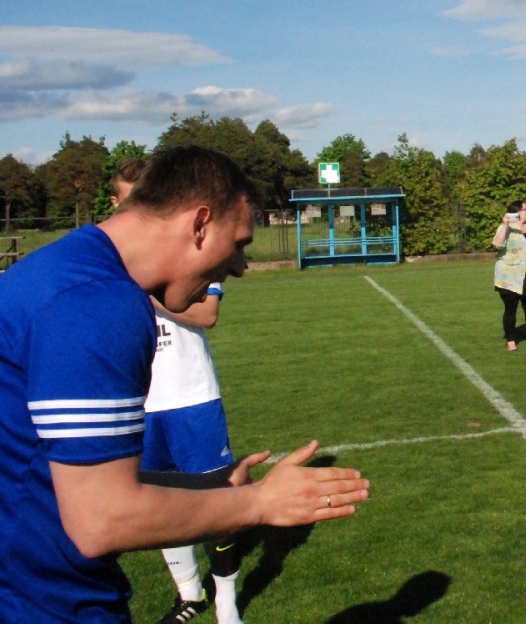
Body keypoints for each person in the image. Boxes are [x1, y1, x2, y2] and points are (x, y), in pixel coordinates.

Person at [0, 146, 370, 622]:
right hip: (43, 604)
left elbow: (56, 473)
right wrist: (257, 502)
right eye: (238, 242)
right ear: (199, 223)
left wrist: (206, 488)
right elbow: (101, 520)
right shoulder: (98, 304)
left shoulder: (61, 272)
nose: (239, 266)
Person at [111, 162, 244, 624]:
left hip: (192, 397)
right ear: (116, 203)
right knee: (158, 503)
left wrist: (142, 287)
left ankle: (227, 603)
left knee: (216, 498)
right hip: (138, 402)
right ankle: (189, 594)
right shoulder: (105, 259)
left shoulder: (191, 246)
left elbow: (206, 314)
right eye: (130, 197)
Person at [492, 200, 526, 351]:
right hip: (509, 278)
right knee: (511, 310)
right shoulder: (506, 228)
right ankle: (511, 341)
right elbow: (497, 244)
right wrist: (505, 225)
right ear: (517, 212)